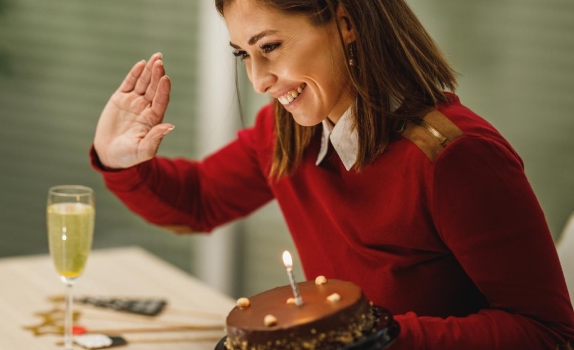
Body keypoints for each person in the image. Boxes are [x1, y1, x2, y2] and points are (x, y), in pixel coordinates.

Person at [90, 0, 574, 348]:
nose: (258, 81)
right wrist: (119, 157)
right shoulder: (287, 131)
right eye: (244, 55)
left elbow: (546, 331)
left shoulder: (456, 157)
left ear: (345, 22)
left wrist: (370, 336)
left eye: (271, 47)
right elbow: (197, 202)